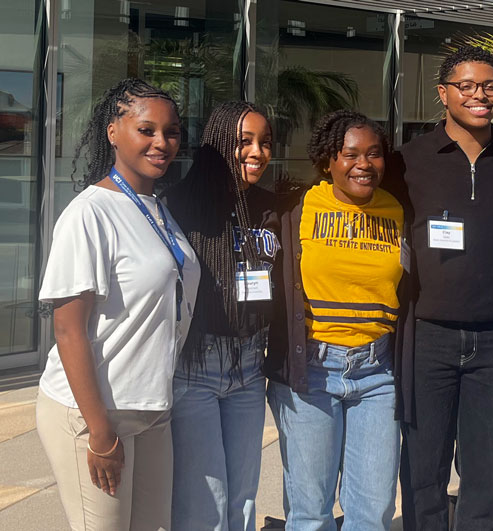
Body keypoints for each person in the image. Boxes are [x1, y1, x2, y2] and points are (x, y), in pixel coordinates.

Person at [34, 78, 201, 530]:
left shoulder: (158, 210)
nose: (161, 143)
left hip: (152, 411)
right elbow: (69, 330)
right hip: (94, 414)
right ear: (113, 132)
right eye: (146, 130)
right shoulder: (90, 213)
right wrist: (100, 433)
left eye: (171, 132)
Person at [394, 45, 493, 530]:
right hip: (427, 335)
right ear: (444, 94)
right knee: (423, 470)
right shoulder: (407, 163)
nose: (480, 95)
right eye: (467, 86)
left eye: (489, 86)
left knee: (487, 473)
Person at [264, 110, 403, 530]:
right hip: (312, 372)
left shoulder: (397, 210)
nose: (364, 164)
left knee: (374, 510)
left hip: (378, 373)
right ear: (328, 160)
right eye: (350, 154)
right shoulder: (297, 208)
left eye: (374, 154)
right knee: (310, 512)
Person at [165, 101, 278, 531]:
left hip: (250, 367)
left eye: (265, 143)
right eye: (244, 142)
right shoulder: (178, 205)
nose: (257, 152)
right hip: (195, 368)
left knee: (243, 497)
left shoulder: (274, 207)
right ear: (218, 144)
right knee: (203, 501)